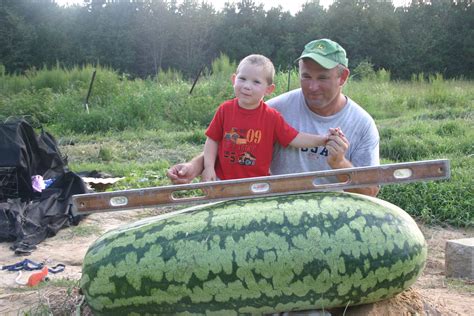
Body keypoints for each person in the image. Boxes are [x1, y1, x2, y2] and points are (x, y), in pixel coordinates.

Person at [168, 39, 380, 197]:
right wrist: (195, 167)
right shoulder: (273, 109)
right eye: (306, 76)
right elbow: (229, 139)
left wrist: (339, 163)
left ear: (342, 77)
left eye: (322, 78)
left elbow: (370, 191)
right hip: (274, 205)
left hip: (330, 213)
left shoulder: (362, 125)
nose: (312, 87)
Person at [202, 54, 334, 182]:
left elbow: (295, 138)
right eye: (242, 79)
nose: (247, 86)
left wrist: (323, 140)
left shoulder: (272, 117)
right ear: (233, 80)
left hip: (257, 185)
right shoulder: (225, 110)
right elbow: (212, 140)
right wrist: (208, 168)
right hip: (222, 180)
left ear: (269, 89)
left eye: (256, 82)